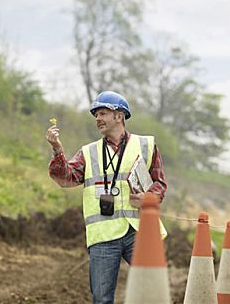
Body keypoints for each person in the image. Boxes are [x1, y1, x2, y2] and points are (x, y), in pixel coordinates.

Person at [46, 90, 168, 304]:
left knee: (152, 295)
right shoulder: (89, 152)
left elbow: (160, 183)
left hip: (140, 230)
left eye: (102, 113)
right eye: (95, 115)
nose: (97, 119)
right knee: (102, 299)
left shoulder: (146, 146)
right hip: (103, 236)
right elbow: (66, 178)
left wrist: (148, 197)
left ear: (119, 116)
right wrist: (57, 150)